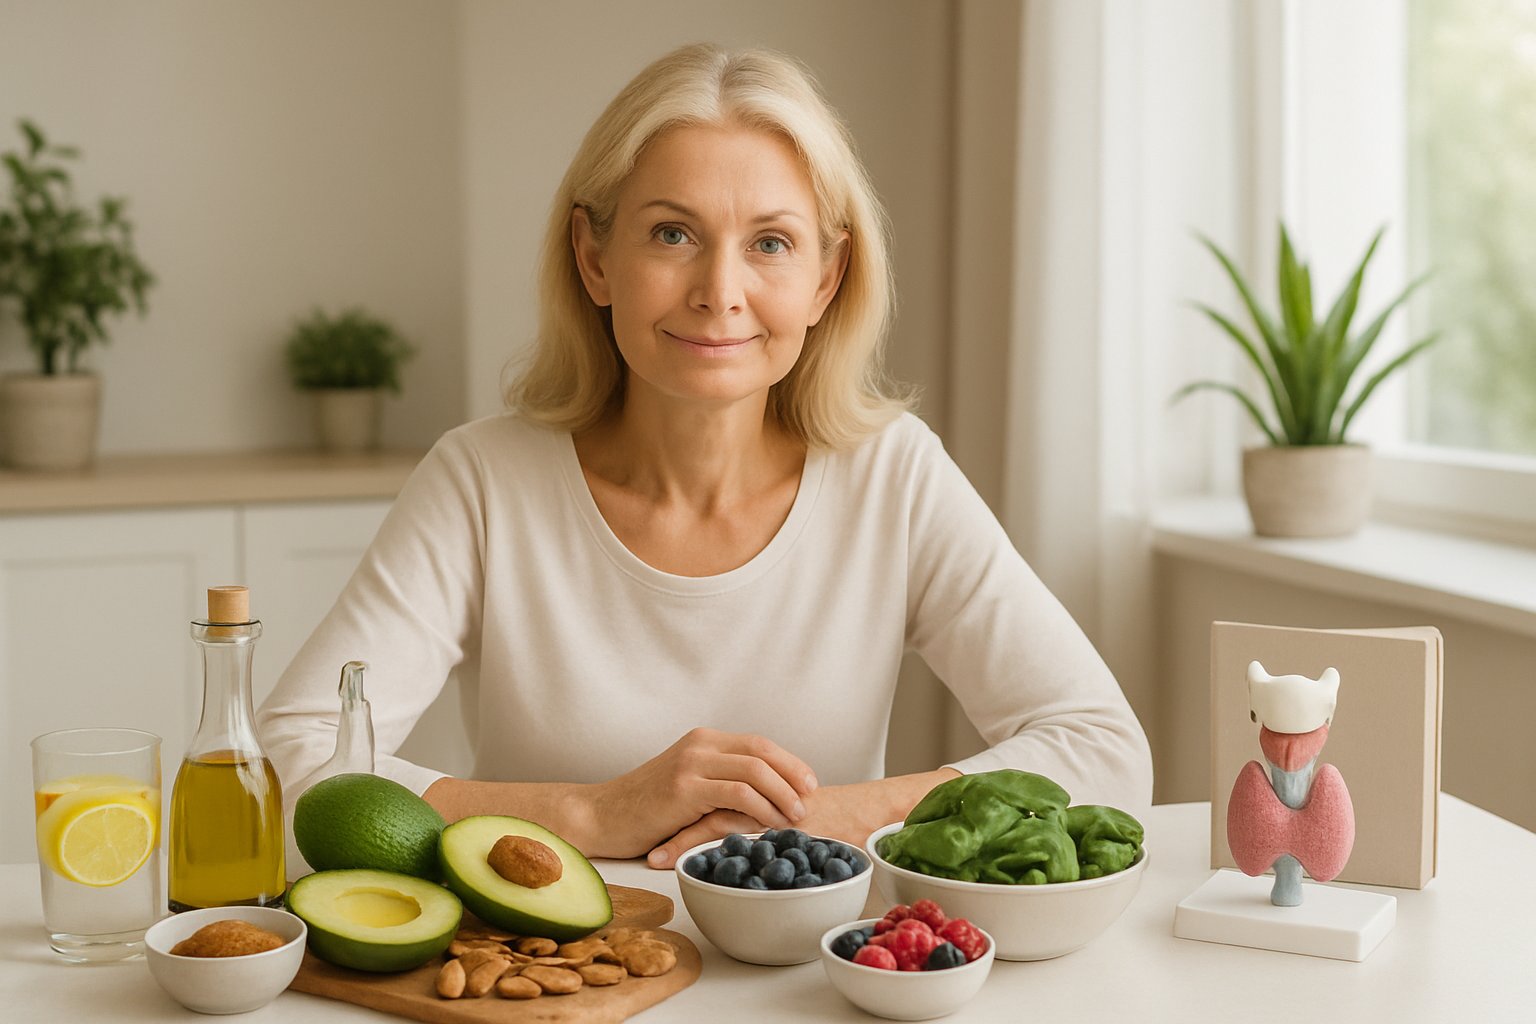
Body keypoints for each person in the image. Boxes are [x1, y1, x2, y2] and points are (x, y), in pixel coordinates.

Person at [256, 43, 1152, 871]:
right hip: (553, 981)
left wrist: (832, 816)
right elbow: (288, 764)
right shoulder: (483, 481)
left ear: (826, 279)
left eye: (771, 243)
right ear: (593, 257)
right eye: (672, 234)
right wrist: (595, 814)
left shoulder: (895, 478)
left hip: (813, 985)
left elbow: (1102, 751)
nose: (720, 292)